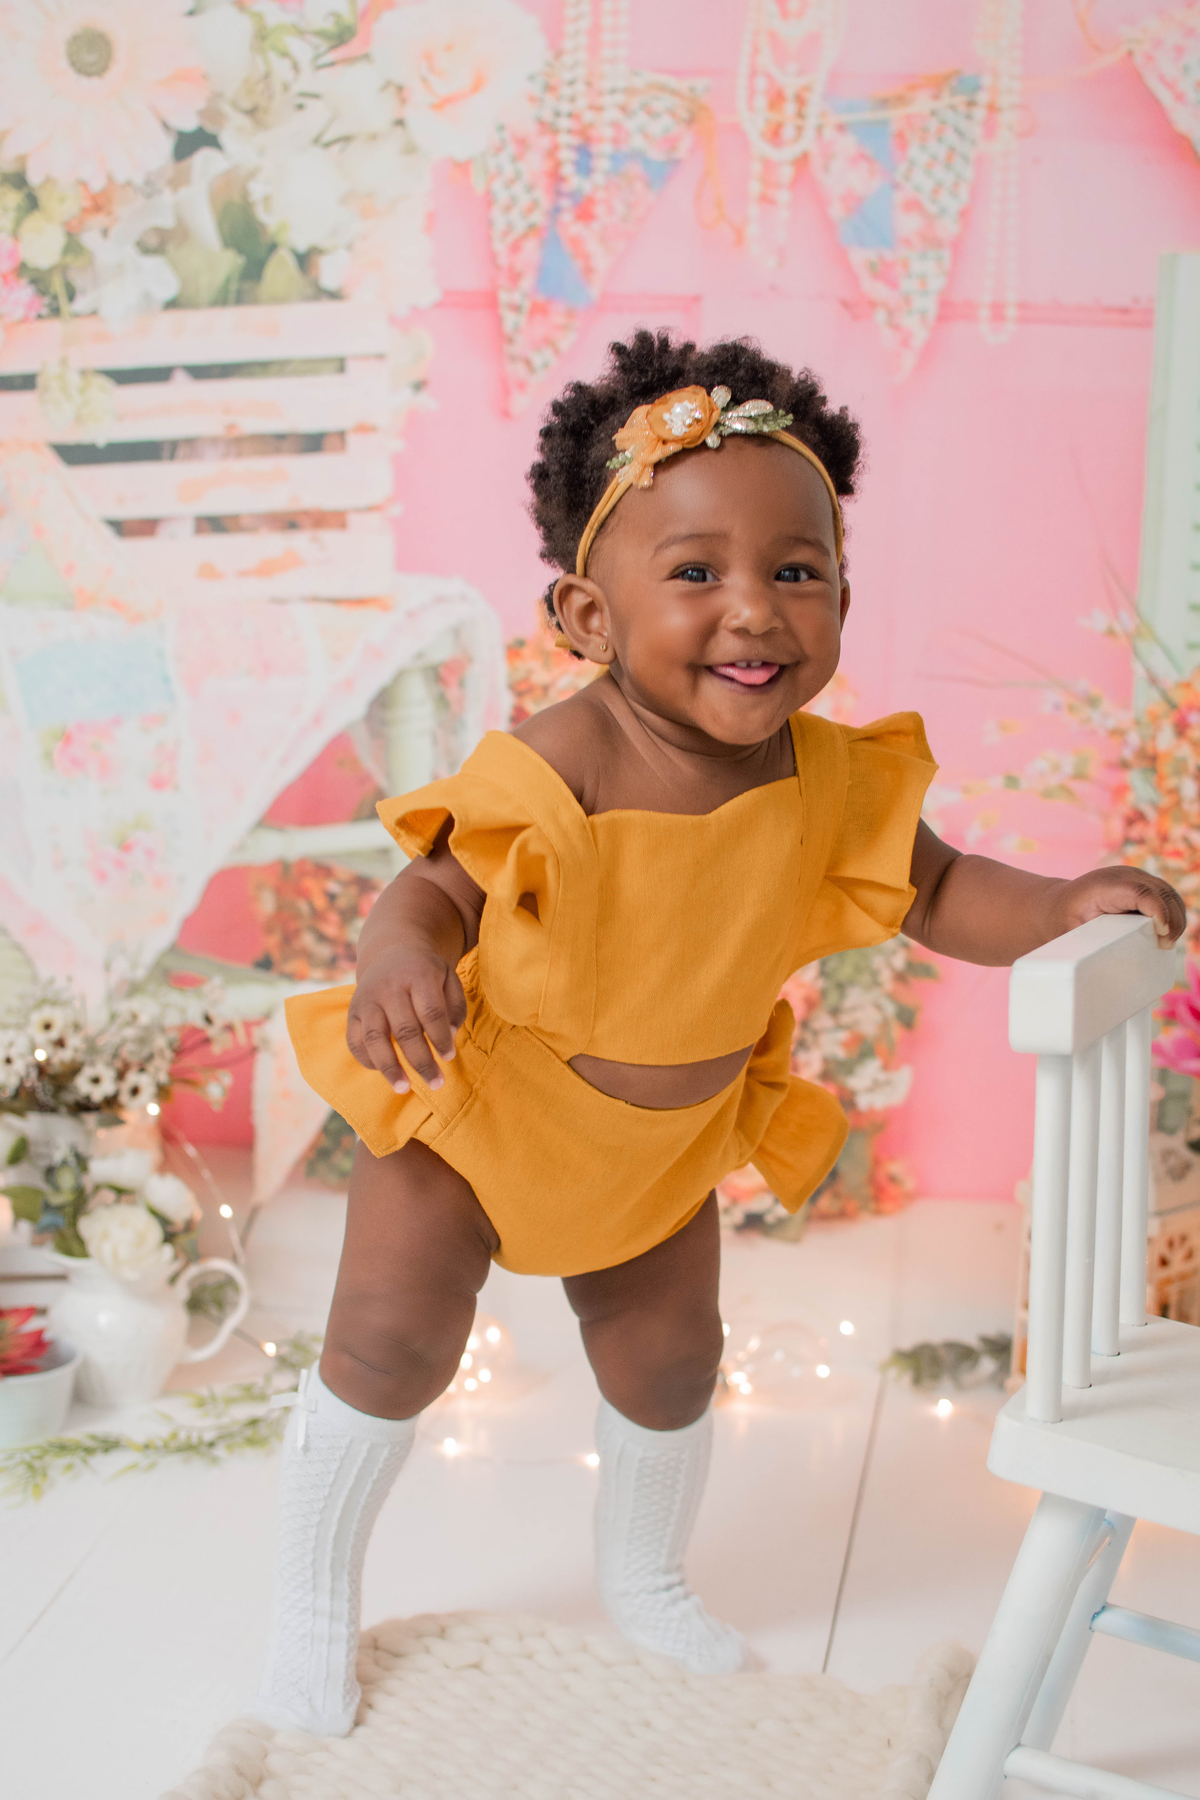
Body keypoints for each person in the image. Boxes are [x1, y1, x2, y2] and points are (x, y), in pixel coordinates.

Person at [254, 330, 1186, 1736]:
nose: (753, 610)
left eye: (796, 573)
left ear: (844, 596)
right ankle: (310, 1602)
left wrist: (1058, 904)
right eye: (694, 573)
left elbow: (938, 888)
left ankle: (644, 1576)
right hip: (485, 1112)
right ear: (589, 616)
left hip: (661, 1146)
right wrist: (400, 956)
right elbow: (437, 888)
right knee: (390, 1344)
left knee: (673, 1360)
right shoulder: (568, 759)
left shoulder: (827, 779)